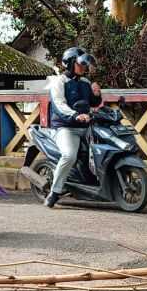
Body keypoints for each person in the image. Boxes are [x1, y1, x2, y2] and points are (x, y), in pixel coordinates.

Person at [43, 46, 101, 208]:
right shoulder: (59, 82)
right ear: (69, 64)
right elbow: (59, 105)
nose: (83, 67)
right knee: (69, 155)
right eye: (80, 63)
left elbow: (93, 103)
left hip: (87, 127)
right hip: (66, 128)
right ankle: (54, 192)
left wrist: (97, 95)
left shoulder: (85, 82)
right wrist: (75, 115)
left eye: (84, 64)